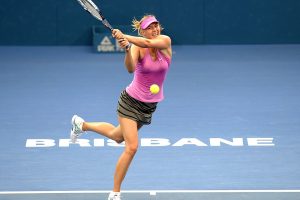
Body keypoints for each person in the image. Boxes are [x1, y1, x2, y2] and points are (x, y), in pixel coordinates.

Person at [70, 14, 172, 200]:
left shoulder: (165, 42)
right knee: (131, 147)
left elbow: (148, 44)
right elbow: (130, 69)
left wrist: (126, 36)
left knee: (117, 137)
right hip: (130, 101)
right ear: (142, 30)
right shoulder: (136, 48)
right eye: (150, 27)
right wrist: (127, 49)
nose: (154, 30)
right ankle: (115, 192)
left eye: (156, 26)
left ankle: (81, 125)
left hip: (149, 105)